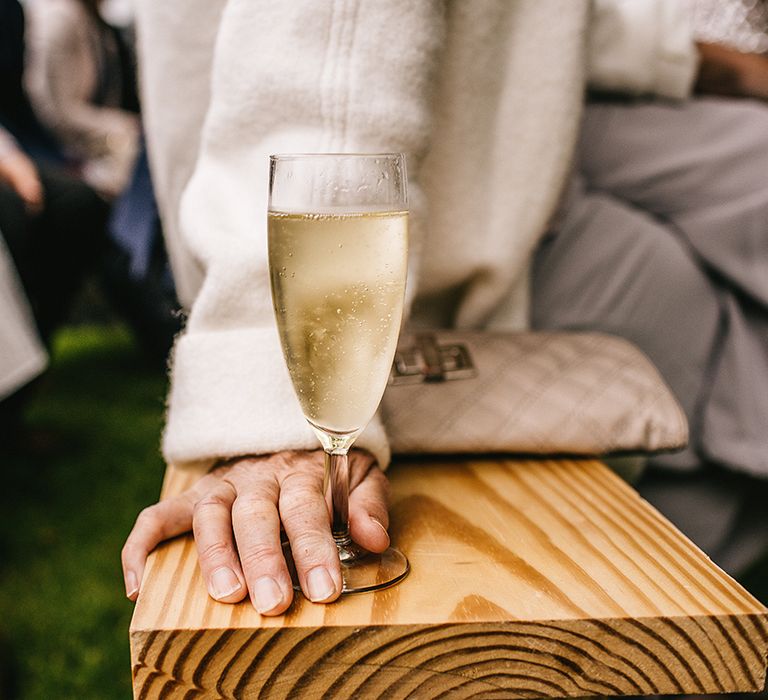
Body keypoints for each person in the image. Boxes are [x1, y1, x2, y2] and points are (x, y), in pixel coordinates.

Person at [123, 1, 768, 615]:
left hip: (500, 197)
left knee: (676, 296)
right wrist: (275, 401)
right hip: (429, 247)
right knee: (672, 293)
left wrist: (687, 60)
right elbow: (333, 46)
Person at [24, 0, 140, 197]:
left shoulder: (95, 22)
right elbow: (57, 114)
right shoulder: (60, 19)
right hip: (67, 151)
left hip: (100, 139)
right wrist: (123, 128)